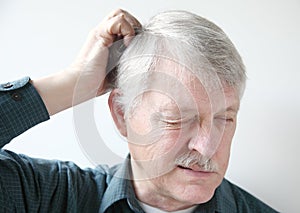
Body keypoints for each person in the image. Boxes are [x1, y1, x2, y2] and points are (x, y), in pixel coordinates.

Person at [0, 9, 278, 213]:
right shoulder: (49, 197)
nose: (206, 147)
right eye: (177, 119)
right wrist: (73, 81)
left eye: (224, 119)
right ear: (122, 115)